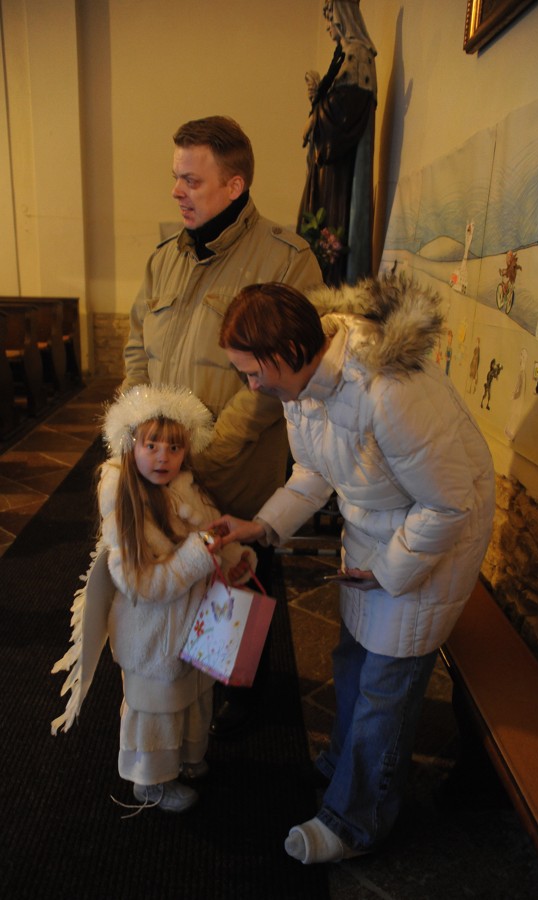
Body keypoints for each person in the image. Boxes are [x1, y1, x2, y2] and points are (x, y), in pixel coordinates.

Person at [206, 278, 495, 862]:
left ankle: (357, 819)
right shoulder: (303, 386)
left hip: (432, 541)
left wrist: (387, 571)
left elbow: (449, 503)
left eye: (253, 372)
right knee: (352, 658)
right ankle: (342, 763)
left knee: (386, 685)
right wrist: (260, 526)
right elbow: (314, 472)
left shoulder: (388, 389)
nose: (252, 386)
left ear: (288, 351)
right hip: (376, 528)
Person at [122, 116, 323, 736]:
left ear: (234, 186)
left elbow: (279, 377)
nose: (176, 191)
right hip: (162, 468)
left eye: (191, 179)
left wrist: (208, 451)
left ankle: (237, 707)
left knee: (236, 587)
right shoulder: (165, 259)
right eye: (175, 177)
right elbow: (136, 346)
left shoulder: (287, 260)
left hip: (233, 471)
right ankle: (185, 696)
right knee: (175, 587)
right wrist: (140, 430)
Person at [51, 385, 256, 813]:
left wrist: (234, 559)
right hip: (153, 638)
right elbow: (142, 586)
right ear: (131, 445)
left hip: (194, 623)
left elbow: (211, 530)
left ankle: (188, 757)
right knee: (156, 711)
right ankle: (151, 780)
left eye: (174, 447)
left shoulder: (186, 488)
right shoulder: (125, 504)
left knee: (195, 697)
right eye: (152, 446)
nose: (163, 457)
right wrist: (199, 555)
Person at [298, 0, 377, 285]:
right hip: (327, 163)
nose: (327, 26)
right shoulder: (343, 58)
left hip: (338, 169)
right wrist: (318, 96)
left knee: (331, 226)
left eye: (330, 17)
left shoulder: (358, 55)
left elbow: (345, 113)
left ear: (343, 17)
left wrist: (315, 119)